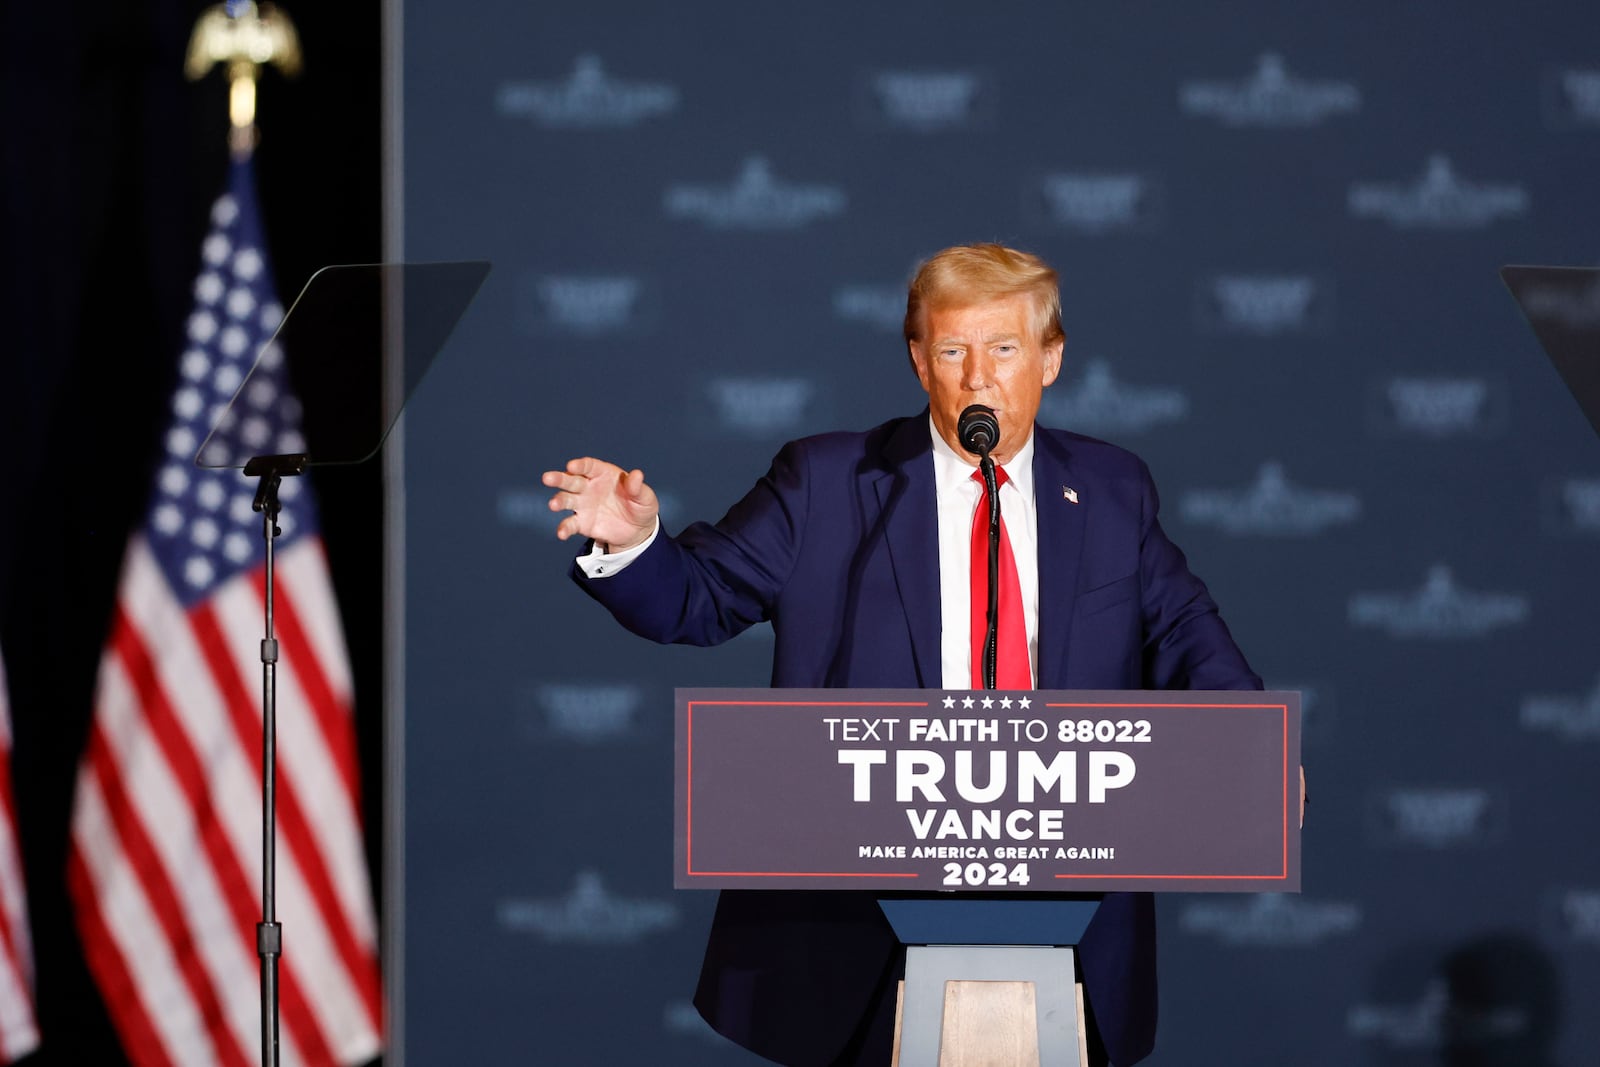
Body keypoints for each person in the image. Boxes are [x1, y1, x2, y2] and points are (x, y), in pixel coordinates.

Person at [543, 243, 1262, 1066]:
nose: (977, 379)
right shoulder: (825, 481)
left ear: (1050, 359)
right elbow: (697, 599)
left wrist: (1249, 750)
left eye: (1003, 350)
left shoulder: (1109, 489)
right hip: (852, 935)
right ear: (920, 361)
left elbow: (1185, 632)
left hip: (1069, 921)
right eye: (953, 350)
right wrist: (637, 543)